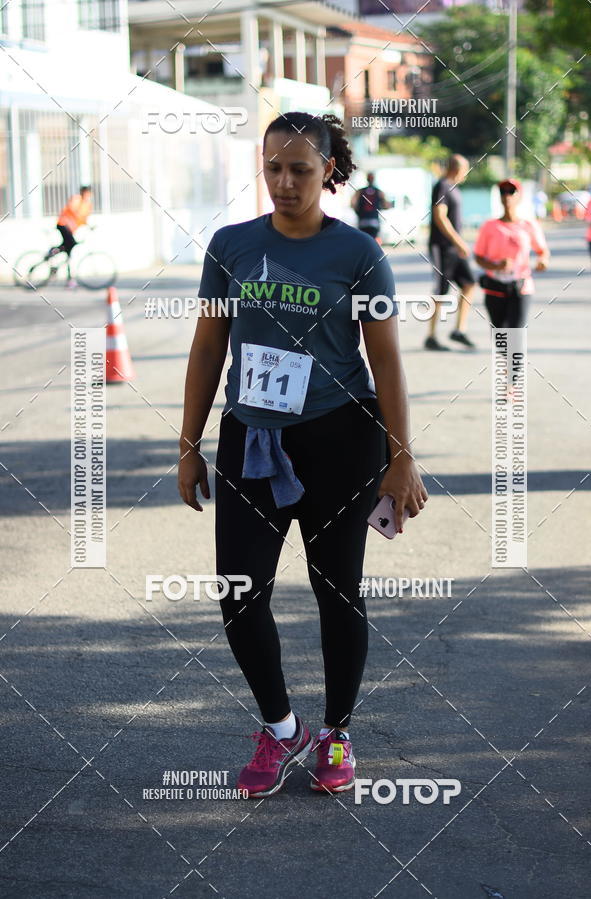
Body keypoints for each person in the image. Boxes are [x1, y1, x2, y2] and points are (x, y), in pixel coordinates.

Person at [178, 111, 428, 799]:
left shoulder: (358, 255)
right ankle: (281, 724)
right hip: (249, 438)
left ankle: (336, 730)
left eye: (300, 170)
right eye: (274, 168)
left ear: (328, 173)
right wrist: (188, 444)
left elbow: (387, 360)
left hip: (340, 439)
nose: (285, 182)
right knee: (239, 591)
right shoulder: (230, 246)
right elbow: (207, 347)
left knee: (336, 590)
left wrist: (401, 455)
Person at [474, 178, 549, 328]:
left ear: (519, 196)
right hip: (495, 288)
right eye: (503, 192)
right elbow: (478, 257)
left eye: (511, 192)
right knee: (501, 342)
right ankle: (503, 351)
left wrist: (543, 261)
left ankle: (514, 351)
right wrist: (496, 266)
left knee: (515, 339)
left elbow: (543, 251)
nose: (507, 196)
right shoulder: (489, 226)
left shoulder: (529, 225)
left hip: (520, 287)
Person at [426, 154, 476, 351]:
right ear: (457, 169)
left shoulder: (454, 188)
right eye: (465, 170)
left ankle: (459, 330)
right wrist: (459, 242)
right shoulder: (442, 185)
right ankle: (431, 336)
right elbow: (440, 217)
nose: (465, 174)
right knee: (441, 291)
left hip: (453, 249)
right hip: (442, 247)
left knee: (469, 283)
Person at [49, 185, 93, 287]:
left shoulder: (88, 205)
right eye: (85, 193)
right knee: (71, 244)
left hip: (71, 229)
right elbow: (72, 211)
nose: (86, 195)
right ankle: (53, 252)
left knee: (69, 250)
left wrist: (89, 226)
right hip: (63, 224)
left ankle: (68, 279)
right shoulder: (76, 199)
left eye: (88, 194)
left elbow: (83, 219)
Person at [351, 172, 392, 244]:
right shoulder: (379, 192)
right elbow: (386, 205)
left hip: (362, 220)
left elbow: (353, 204)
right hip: (374, 220)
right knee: (373, 241)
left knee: (364, 241)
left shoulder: (360, 191)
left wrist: (358, 212)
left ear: (367, 179)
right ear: (374, 179)